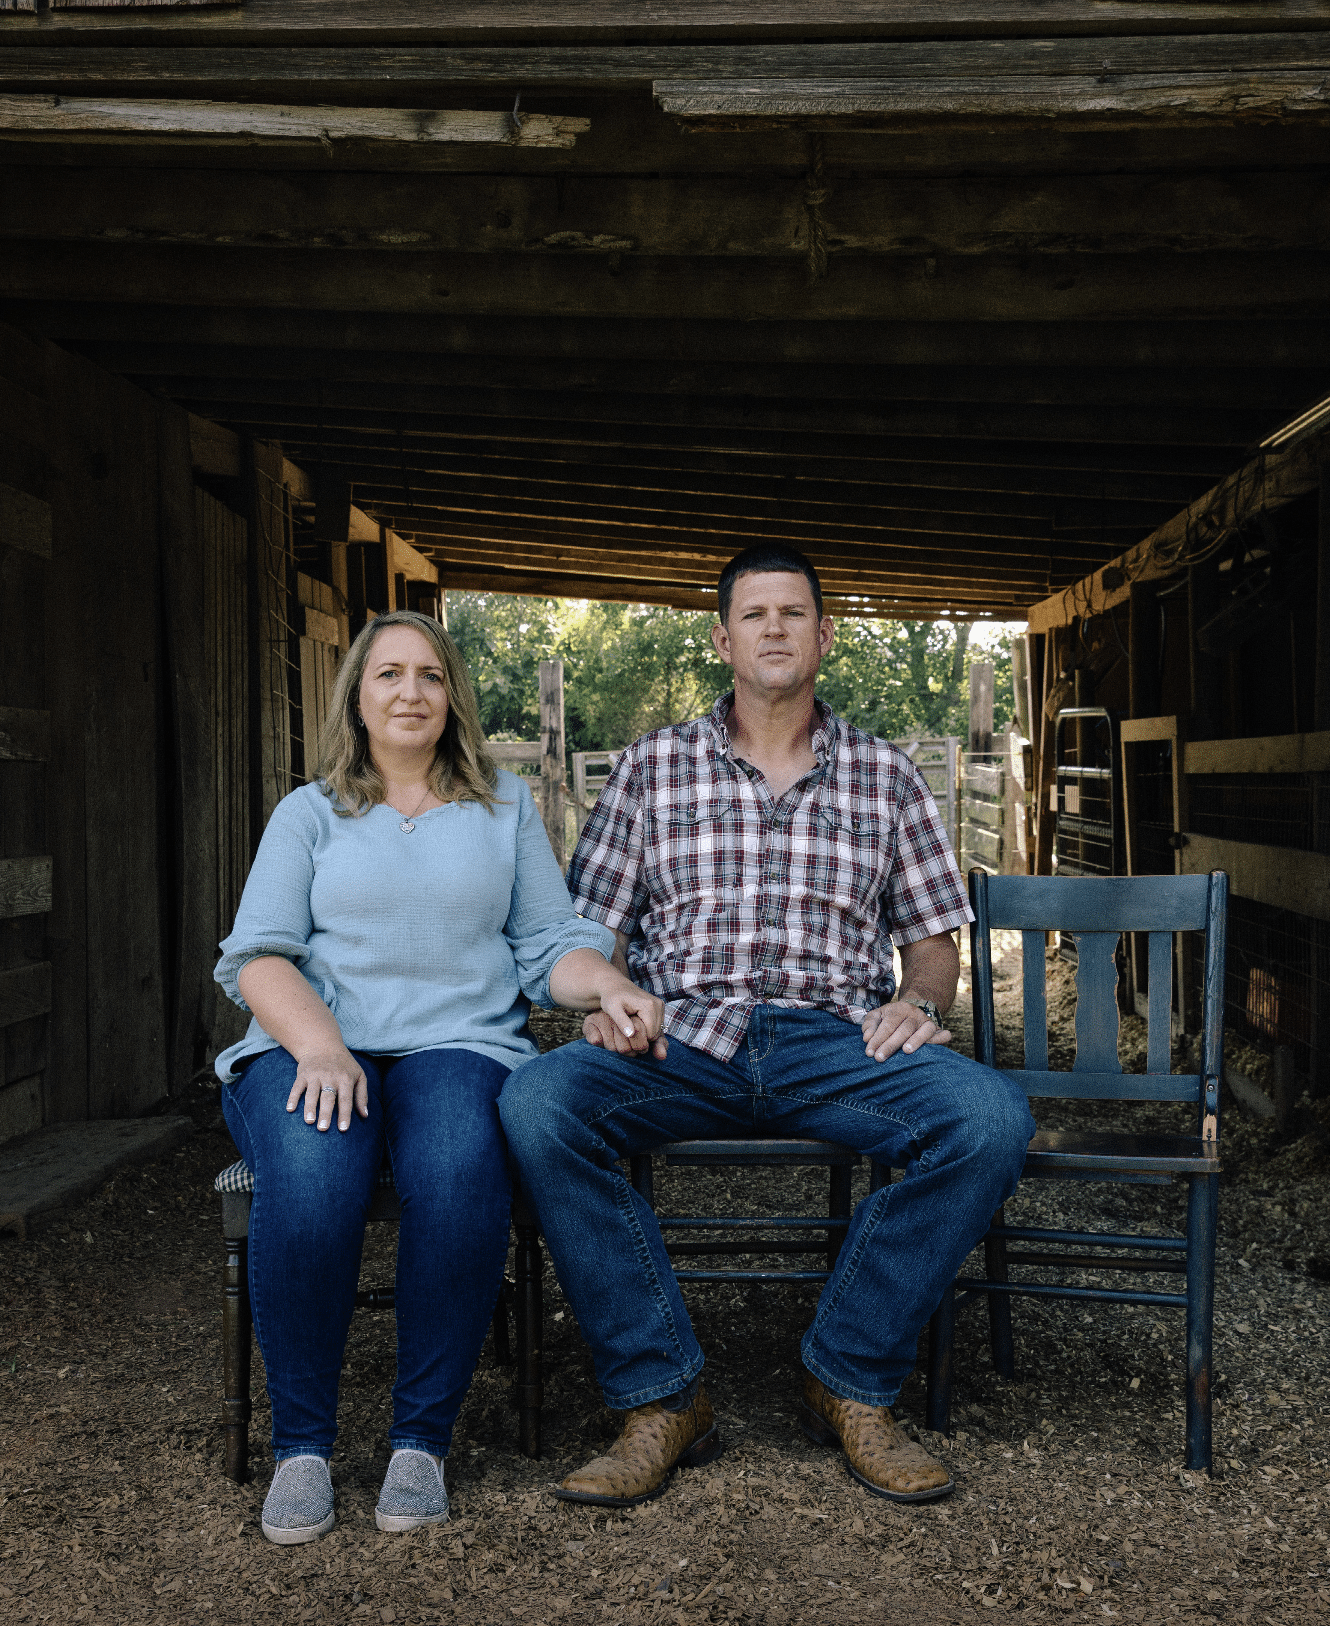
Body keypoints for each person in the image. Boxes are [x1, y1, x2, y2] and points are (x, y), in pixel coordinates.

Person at [500, 545, 1035, 1509]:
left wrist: (918, 1002)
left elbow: (932, 942)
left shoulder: (886, 777)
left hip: (834, 1042)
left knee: (990, 1118)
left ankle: (849, 1376)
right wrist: (608, 995)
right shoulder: (650, 770)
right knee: (537, 1104)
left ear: (825, 635)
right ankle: (661, 1398)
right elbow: (591, 935)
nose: (776, 628)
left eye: (794, 613)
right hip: (679, 1041)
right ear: (723, 639)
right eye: (756, 614)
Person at [215, 610, 661, 1545]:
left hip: (458, 1043)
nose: (410, 693)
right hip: (312, 1044)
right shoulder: (309, 813)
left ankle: (421, 1440)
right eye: (389, 676)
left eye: (428, 675)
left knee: (460, 1172)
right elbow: (257, 958)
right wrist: (323, 1045)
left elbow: (549, 948)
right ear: (359, 696)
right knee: (314, 1174)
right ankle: (303, 1446)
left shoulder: (501, 809)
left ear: (452, 692)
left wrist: (608, 983)